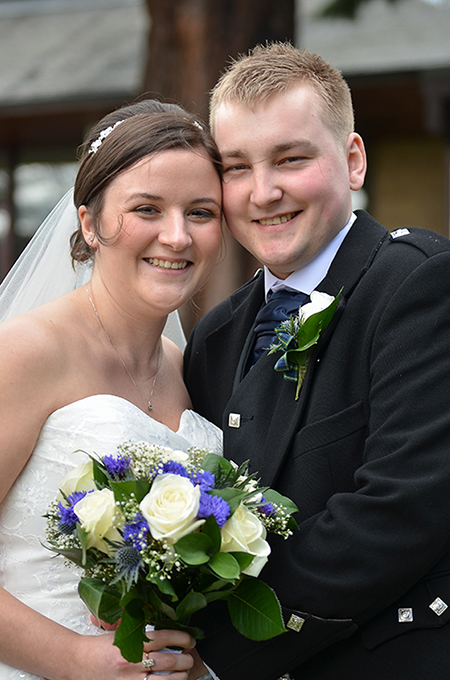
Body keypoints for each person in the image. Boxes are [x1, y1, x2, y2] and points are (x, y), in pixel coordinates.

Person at [184, 42, 450, 680]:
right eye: (237, 166)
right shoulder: (217, 335)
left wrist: (216, 652)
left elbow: (399, 511)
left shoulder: (419, 284)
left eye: (291, 159)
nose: (263, 191)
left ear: (352, 160)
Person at [0, 99, 224, 680]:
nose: (176, 236)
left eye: (200, 212)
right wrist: (70, 659)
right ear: (89, 223)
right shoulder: (26, 350)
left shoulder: (187, 365)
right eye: (146, 209)